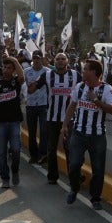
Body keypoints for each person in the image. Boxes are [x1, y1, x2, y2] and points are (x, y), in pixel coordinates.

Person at [62, 59, 112, 210]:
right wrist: (65, 126)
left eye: (85, 69)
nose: (83, 71)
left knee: (98, 169)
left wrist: (96, 101)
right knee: (73, 164)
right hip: (78, 133)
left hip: (97, 136)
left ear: (94, 72)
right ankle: (74, 188)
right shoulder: (80, 87)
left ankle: (95, 198)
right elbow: (72, 106)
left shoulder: (106, 89)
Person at [33, 53, 81, 184]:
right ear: (54, 62)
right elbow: (32, 89)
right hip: (52, 118)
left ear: (67, 61)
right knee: (51, 148)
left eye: (63, 59)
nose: (60, 61)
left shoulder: (76, 75)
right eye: (58, 59)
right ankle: (52, 176)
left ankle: (73, 178)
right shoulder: (47, 75)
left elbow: (86, 87)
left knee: (70, 149)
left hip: (70, 119)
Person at [0, 56, 25, 189]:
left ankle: (15, 171)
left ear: (13, 70)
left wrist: (14, 60)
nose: (6, 70)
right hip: (0, 123)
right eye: (4, 67)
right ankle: (5, 178)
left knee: (15, 150)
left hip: (15, 122)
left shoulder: (16, 81)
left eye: (9, 68)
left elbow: (22, 76)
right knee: (1, 152)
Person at [25, 50, 50, 164]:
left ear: (41, 59)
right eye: (34, 58)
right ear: (32, 59)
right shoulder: (26, 71)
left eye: (38, 58)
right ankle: (33, 155)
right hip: (30, 105)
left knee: (44, 131)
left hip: (43, 105)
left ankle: (43, 153)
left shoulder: (47, 72)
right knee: (32, 131)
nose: (36, 60)